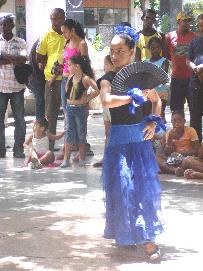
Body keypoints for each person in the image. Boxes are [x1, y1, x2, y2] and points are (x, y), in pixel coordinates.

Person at [99, 26, 164, 260]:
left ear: (133, 51)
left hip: (140, 141)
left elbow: (157, 102)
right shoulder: (107, 79)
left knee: (142, 190)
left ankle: (148, 239)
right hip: (118, 142)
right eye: (112, 51)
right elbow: (106, 100)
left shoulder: (144, 78)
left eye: (120, 51)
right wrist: (132, 96)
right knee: (122, 189)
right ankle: (125, 234)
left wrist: (154, 122)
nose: (115, 56)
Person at [60, 56, 99, 168]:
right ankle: (66, 159)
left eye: (69, 65)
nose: (68, 67)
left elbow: (97, 89)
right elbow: (68, 89)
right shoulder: (71, 76)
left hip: (80, 108)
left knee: (81, 132)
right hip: (70, 108)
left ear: (77, 66)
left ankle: (81, 158)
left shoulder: (85, 78)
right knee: (69, 133)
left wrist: (87, 98)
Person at [36, 8, 65, 151]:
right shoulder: (46, 35)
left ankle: (72, 145)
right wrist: (48, 68)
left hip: (68, 79)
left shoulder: (69, 34)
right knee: (51, 114)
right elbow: (39, 57)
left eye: (57, 18)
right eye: (52, 19)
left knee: (71, 113)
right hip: (51, 80)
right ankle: (51, 146)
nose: (54, 22)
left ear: (63, 18)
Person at [0, 13, 27, 158]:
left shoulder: (21, 42)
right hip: (1, 87)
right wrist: (14, 59)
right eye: (1, 25)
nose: (3, 27)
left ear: (12, 26)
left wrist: (5, 57)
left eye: (6, 24)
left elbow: (23, 59)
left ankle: (18, 149)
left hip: (17, 87)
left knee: (19, 120)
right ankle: (0, 150)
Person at [165, 11, 196, 113]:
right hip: (176, 78)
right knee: (177, 110)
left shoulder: (194, 36)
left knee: (194, 110)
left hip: (191, 78)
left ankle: (194, 129)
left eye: (188, 21)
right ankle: (178, 129)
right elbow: (167, 54)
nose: (187, 23)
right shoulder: (169, 36)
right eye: (184, 21)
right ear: (178, 21)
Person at [156, 110, 199, 176]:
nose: (176, 123)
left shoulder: (191, 131)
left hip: (185, 158)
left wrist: (180, 153)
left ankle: (169, 169)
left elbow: (196, 150)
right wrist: (170, 138)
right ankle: (175, 170)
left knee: (188, 161)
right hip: (173, 160)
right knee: (156, 158)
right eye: (174, 121)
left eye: (179, 121)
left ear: (184, 121)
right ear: (171, 122)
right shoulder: (169, 132)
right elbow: (167, 153)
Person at [93, 55, 114, 167]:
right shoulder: (105, 78)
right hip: (106, 108)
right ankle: (106, 157)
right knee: (107, 133)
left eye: (106, 64)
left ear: (112, 64)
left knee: (113, 133)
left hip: (113, 107)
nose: (104, 66)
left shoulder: (113, 77)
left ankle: (113, 157)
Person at [145, 37, 169, 122]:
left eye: (158, 47)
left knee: (160, 113)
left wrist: (150, 78)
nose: (155, 50)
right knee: (148, 114)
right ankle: (151, 134)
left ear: (161, 48)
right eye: (153, 48)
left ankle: (162, 133)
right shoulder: (145, 62)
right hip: (149, 93)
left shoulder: (165, 61)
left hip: (161, 93)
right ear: (149, 49)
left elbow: (161, 76)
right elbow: (144, 77)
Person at [187, 14, 203, 143]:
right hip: (195, 85)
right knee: (195, 118)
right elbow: (188, 60)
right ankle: (196, 147)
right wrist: (194, 67)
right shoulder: (194, 41)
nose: (202, 28)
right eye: (200, 25)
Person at [28, 38, 46, 120]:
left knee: (42, 105)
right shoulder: (42, 42)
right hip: (37, 79)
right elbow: (40, 65)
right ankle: (40, 129)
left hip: (38, 78)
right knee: (41, 105)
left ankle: (43, 128)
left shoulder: (42, 41)